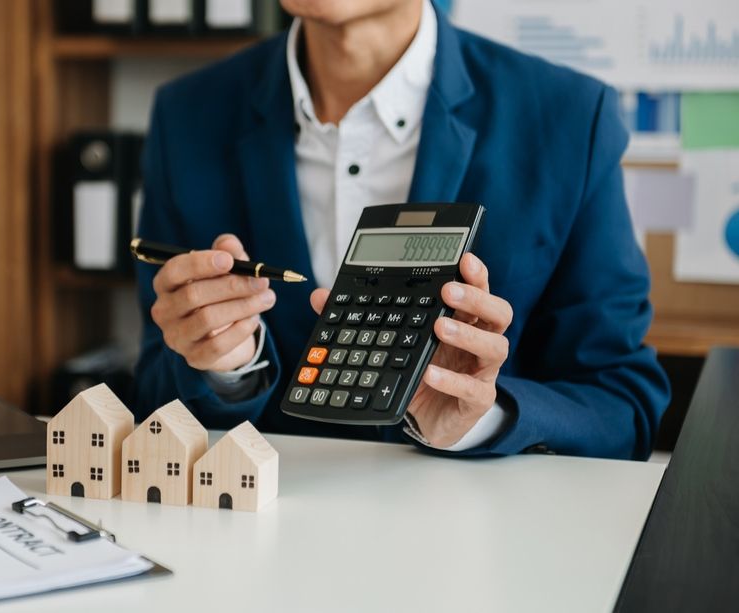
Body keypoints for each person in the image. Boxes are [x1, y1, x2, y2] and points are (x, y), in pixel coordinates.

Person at [132, 0, 670, 459]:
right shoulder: (188, 114)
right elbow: (153, 384)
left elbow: (622, 403)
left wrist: (483, 416)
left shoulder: (569, 118)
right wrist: (230, 369)